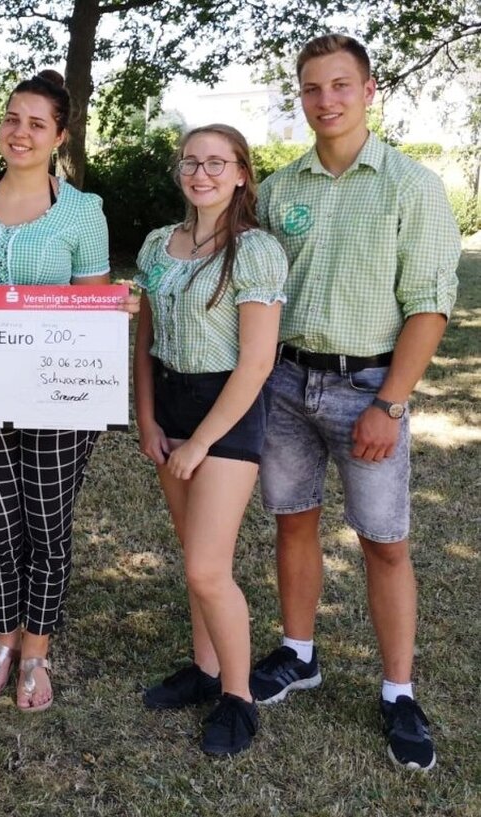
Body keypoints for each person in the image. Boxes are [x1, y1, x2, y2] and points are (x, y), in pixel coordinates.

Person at [253, 34, 460, 771]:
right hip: (286, 384)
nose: (326, 100)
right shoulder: (280, 191)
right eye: (312, 88)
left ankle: (399, 690)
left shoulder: (410, 187)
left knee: (384, 541)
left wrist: (392, 403)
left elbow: (430, 307)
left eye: (341, 85)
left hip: (370, 388)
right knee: (293, 521)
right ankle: (298, 653)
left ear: (368, 90)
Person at [0, 70, 136, 712]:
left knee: (46, 527)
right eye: (12, 119)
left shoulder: (83, 212)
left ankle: (37, 652)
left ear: (59, 136)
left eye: (36, 124)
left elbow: (91, 310)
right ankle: (2, 639)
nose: (20, 133)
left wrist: (113, 309)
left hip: (57, 400)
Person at [135, 125, 287, 755]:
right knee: (190, 552)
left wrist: (200, 442)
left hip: (225, 409)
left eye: (217, 163)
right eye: (191, 162)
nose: (202, 174)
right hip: (169, 403)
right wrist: (147, 419)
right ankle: (203, 670)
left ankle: (238, 695)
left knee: (207, 567)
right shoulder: (155, 245)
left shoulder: (256, 251)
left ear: (242, 173)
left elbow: (256, 362)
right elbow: (143, 343)